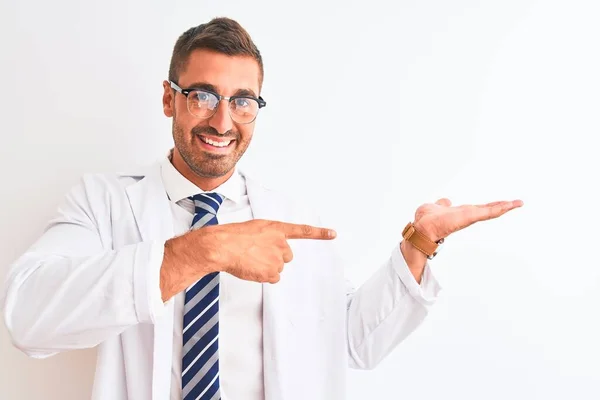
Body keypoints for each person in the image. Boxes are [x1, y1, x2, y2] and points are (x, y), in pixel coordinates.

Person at [2, 17, 523, 400]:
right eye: (203, 95)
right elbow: (27, 317)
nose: (223, 122)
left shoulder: (287, 219)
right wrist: (201, 249)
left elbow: (353, 342)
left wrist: (418, 245)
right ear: (169, 99)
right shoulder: (103, 203)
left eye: (243, 100)